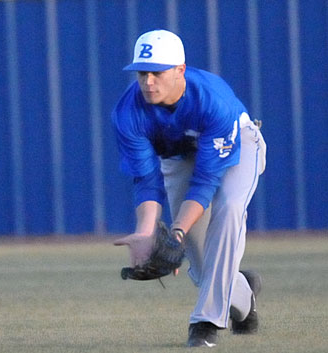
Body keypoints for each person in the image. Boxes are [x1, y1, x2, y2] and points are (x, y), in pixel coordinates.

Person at [112, 29, 266, 348]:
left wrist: (177, 232)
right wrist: (146, 233)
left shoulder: (212, 101)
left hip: (238, 144)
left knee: (230, 209)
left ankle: (205, 322)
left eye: (157, 72)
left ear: (180, 70)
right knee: (199, 263)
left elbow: (206, 182)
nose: (148, 81)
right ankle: (242, 292)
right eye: (142, 72)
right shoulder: (127, 113)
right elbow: (146, 180)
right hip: (179, 157)